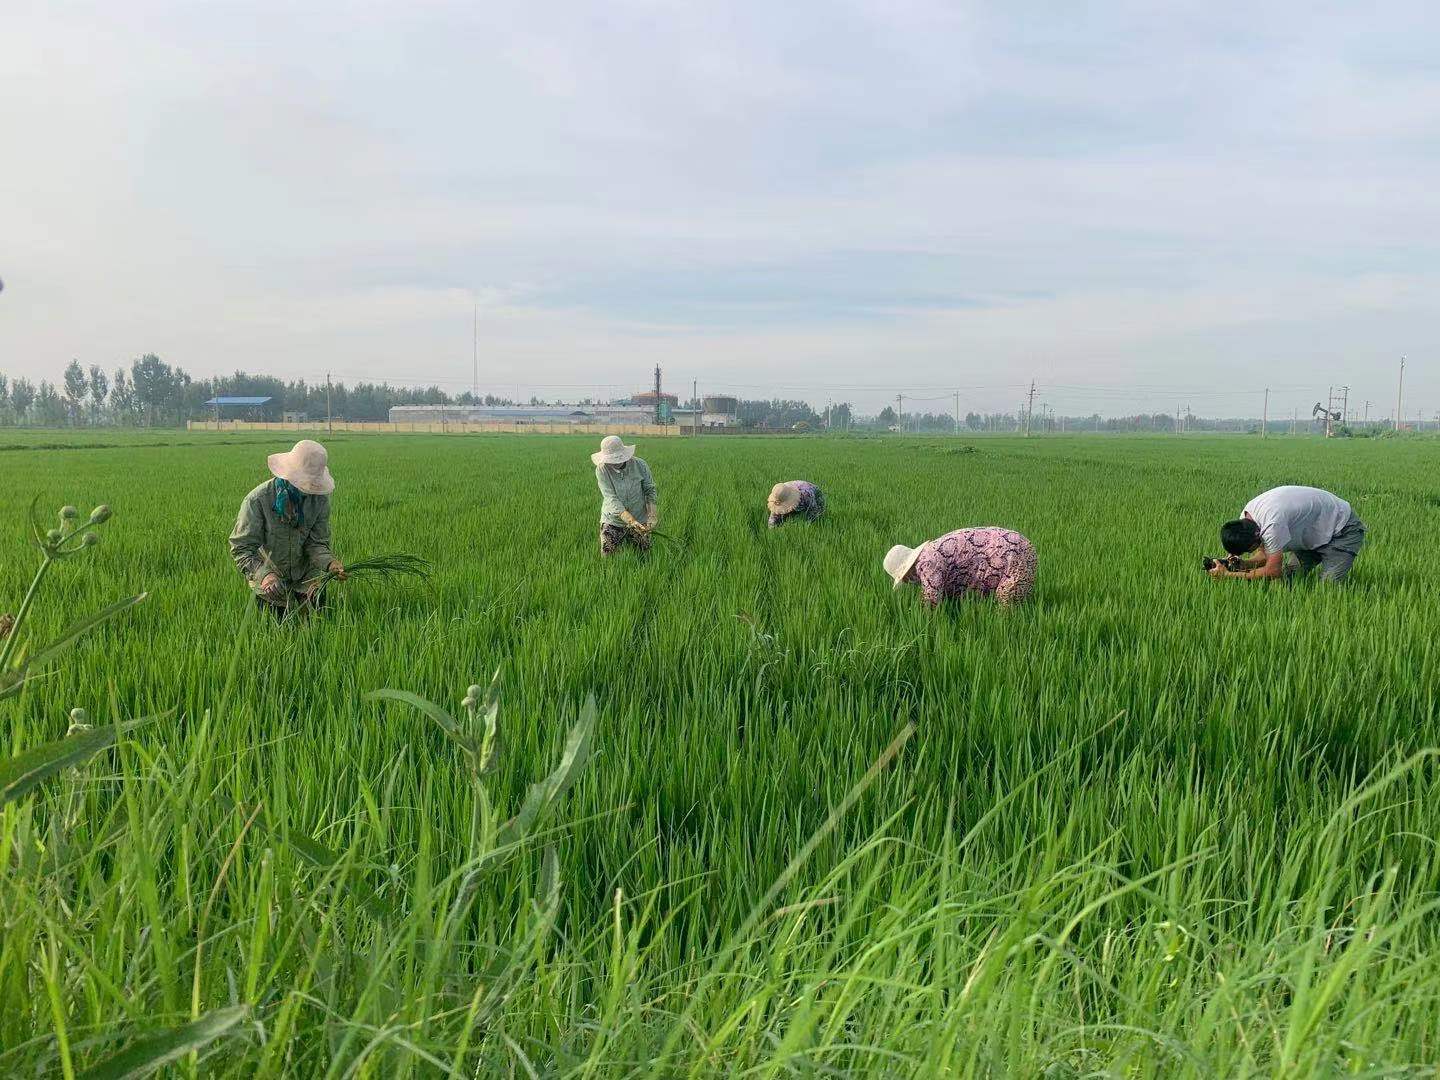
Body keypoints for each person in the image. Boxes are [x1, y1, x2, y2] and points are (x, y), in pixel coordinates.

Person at [229, 439, 345, 614]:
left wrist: (330, 564)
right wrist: (265, 574)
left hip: (308, 581)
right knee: (274, 635)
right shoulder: (258, 500)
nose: (308, 490)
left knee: (318, 631)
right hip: (270, 584)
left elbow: (316, 543)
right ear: (290, 474)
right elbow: (242, 549)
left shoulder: (319, 499)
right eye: (304, 483)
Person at [1209, 485, 1365, 582]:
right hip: (1312, 533)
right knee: (1290, 579)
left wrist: (1228, 575)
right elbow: (1265, 554)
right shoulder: (1246, 519)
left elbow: (1272, 571)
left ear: (1257, 535)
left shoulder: (1271, 524)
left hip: (1342, 528)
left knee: (1328, 586)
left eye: (1251, 550)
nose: (1255, 550)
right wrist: (1242, 564)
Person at [884, 527, 1037, 606]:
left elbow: (932, 601)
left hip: (1013, 553)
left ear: (907, 571)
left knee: (1007, 613)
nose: (906, 583)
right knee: (1007, 606)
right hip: (1017, 546)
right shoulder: (930, 552)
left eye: (904, 579)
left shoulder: (926, 563)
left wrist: (917, 617)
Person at [593, 435, 658, 556]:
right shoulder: (602, 469)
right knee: (608, 558)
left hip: (639, 519)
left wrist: (652, 516)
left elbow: (650, 490)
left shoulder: (640, 465)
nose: (614, 463)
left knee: (644, 556)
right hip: (613, 520)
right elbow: (610, 497)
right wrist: (631, 521)